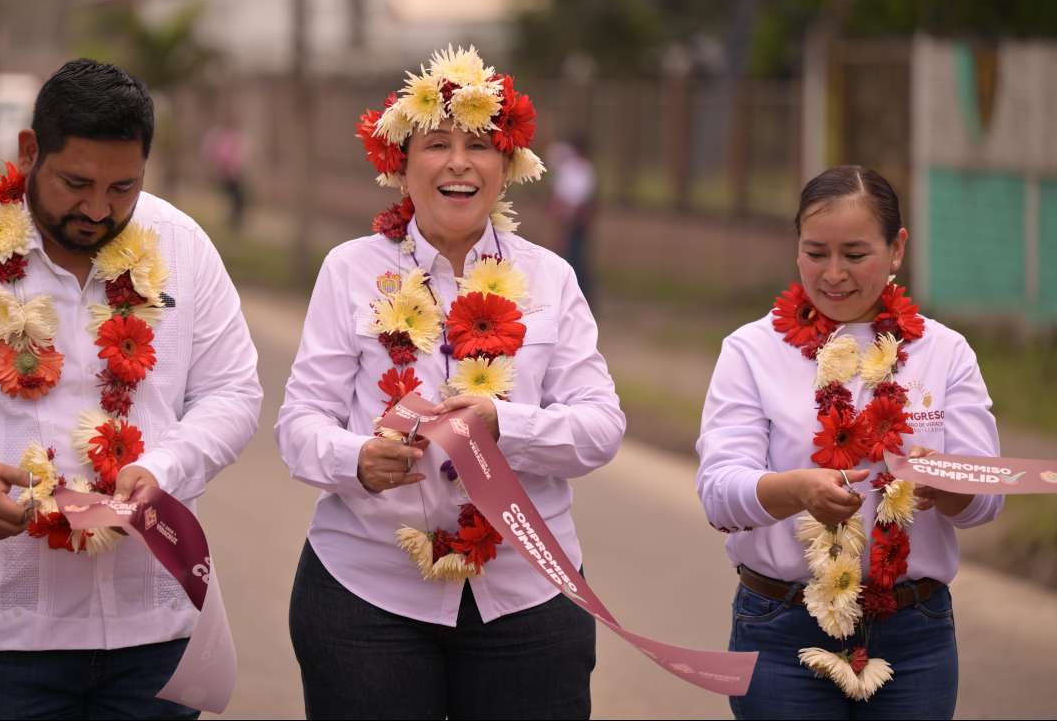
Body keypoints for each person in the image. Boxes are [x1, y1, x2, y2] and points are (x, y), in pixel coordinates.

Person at [0, 59, 263, 720]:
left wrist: (164, 470)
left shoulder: (183, 247)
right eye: (77, 183)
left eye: (122, 187)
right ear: (28, 151)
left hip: (155, 627)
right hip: (8, 636)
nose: (98, 209)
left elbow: (233, 391)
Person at [275, 45, 625, 720]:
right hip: (366, 597)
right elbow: (298, 428)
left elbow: (601, 427)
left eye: (481, 145)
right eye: (437, 143)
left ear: (508, 167)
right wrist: (359, 460)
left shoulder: (550, 278)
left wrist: (505, 425)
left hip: (529, 595)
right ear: (400, 164)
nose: (460, 161)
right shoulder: (348, 271)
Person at [696, 165, 1002, 719]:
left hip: (915, 637)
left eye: (855, 254)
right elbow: (719, 493)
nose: (833, 274)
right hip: (780, 632)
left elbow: (985, 500)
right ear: (796, 250)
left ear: (897, 249)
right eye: (816, 252)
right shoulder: (751, 350)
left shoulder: (945, 352)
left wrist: (947, 481)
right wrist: (797, 490)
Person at [548, 133, 596, 306]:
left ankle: (582, 299)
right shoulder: (571, 169)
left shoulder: (582, 170)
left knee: (576, 261)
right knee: (569, 259)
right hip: (567, 220)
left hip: (575, 222)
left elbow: (579, 199)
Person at [200, 106, 250, 233]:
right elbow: (221, 156)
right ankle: (234, 221)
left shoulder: (233, 136)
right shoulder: (223, 136)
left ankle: (235, 220)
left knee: (240, 197)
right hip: (228, 174)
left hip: (235, 173)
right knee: (237, 197)